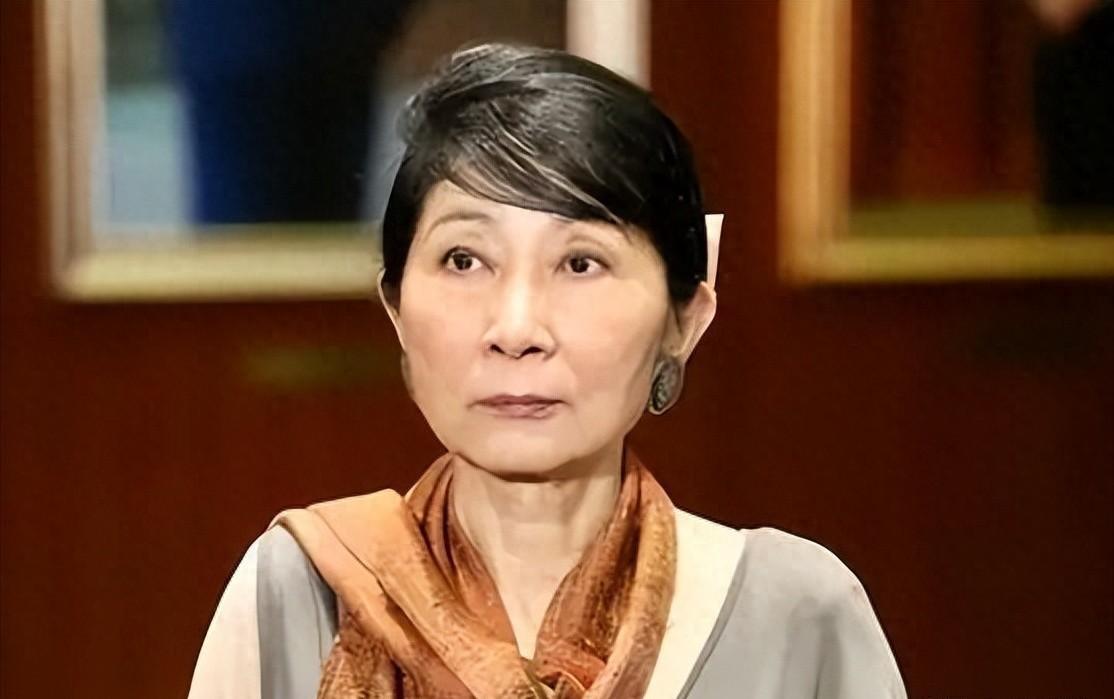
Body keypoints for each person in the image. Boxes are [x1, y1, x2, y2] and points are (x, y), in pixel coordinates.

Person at [187, 43, 907, 698]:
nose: (516, 329)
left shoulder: (796, 618)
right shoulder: (297, 593)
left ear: (683, 321)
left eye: (580, 263)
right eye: (464, 260)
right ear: (397, 309)